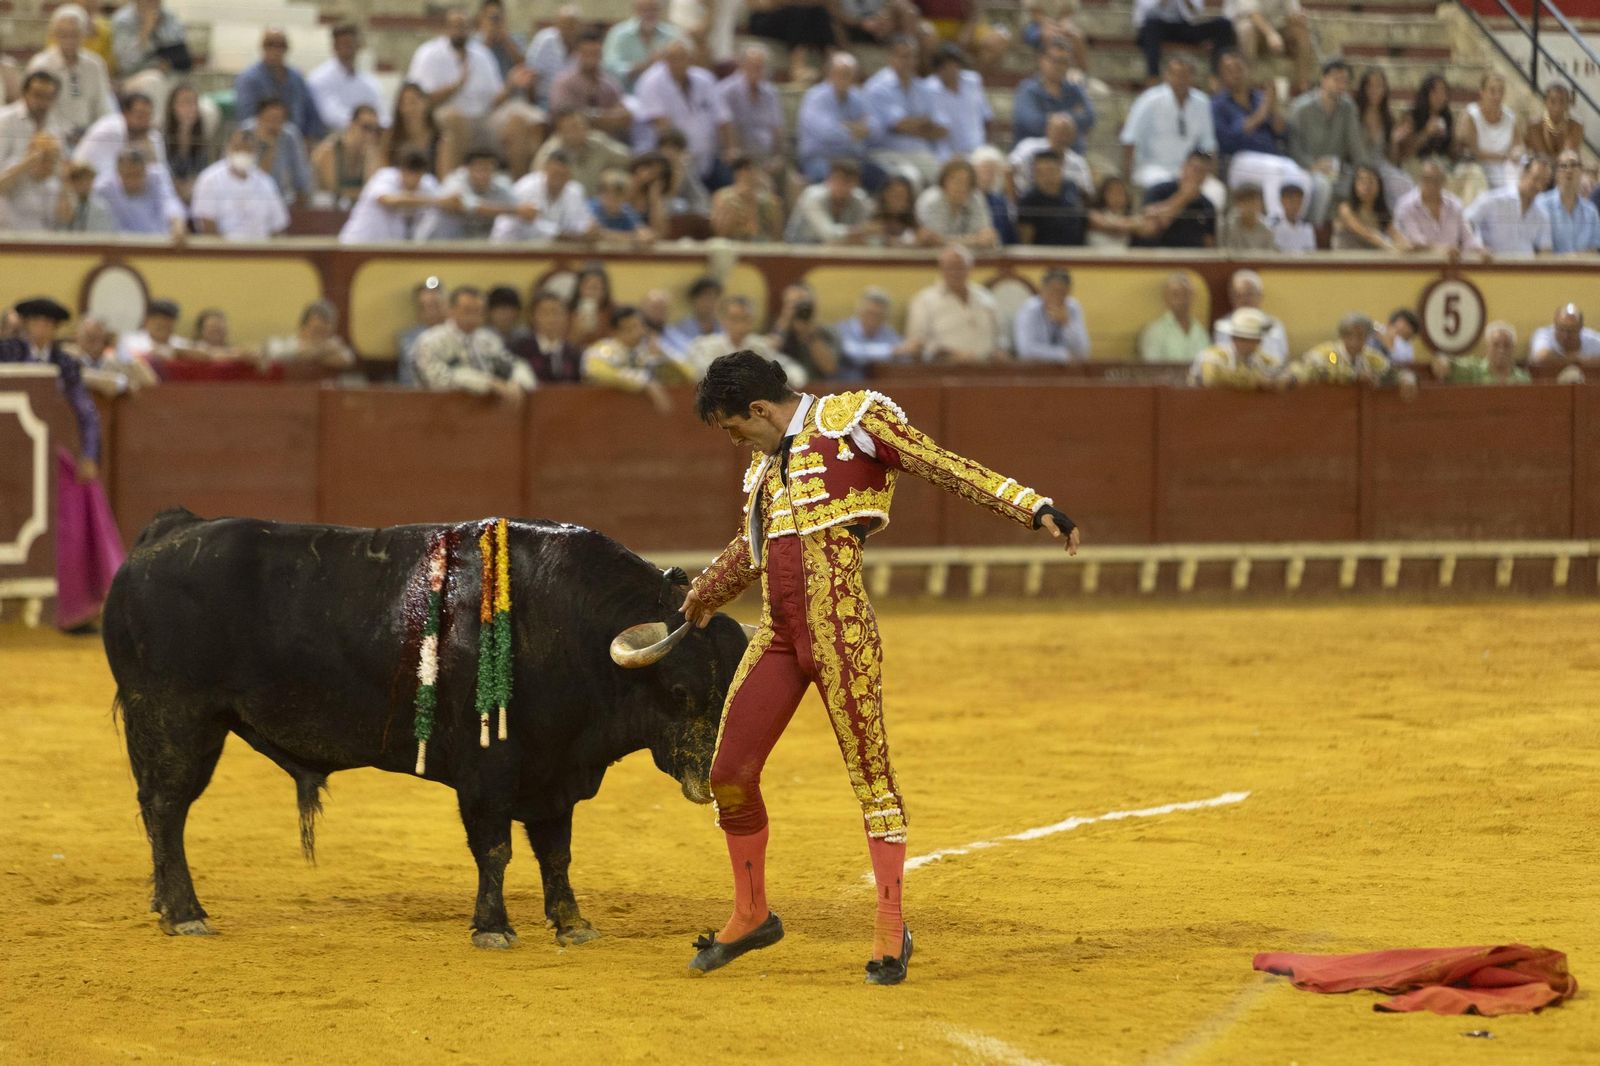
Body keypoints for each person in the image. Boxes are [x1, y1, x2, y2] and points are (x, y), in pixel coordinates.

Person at [679, 350, 1078, 982]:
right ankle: (752, 912)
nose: (736, 441)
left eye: (735, 427)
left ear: (758, 409)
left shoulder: (853, 419)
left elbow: (941, 465)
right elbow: (752, 550)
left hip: (843, 635)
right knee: (729, 773)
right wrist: (702, 594)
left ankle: (891, 928)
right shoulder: (761, 470)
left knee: (871, 780)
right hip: (780, 638)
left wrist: (1031, 506)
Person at [0, 296, 121, 633]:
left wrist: (89, 456)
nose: (41, 328)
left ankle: (74, 607)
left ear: (54, 328)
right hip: (3, 455)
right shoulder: (4, 351)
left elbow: (86, 412)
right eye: (36, 321)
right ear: (25, 324)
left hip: (40, 457)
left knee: (79, 502)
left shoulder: (63, 362)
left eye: (48, 323)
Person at [406, 8, 543, 177]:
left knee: (517, 120)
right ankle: (451, 187)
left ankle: (518, 188)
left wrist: (511, 85)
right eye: (454, 26)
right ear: (445, 28)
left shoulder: (481, 55)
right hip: (444, 116)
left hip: (482, 118)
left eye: (463, 26)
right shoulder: (428, 54)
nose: (459, 30)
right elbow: (419, 99)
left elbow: (494, 100)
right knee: (454, 118)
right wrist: (455, 86)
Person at [1212, 48, 1308, 218]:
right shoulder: (1219, 104)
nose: (1235, 74)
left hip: (1271, 158)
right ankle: (1276, 227)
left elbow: (1282, 133)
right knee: (1275, 171)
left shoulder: (1259, 97)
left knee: (1301, 176)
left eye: (1239, 69)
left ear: (1248, 71)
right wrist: (1263, 110)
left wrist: (1275, 107)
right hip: (1236, 161)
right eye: (1229, 70)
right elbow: (1229, 139)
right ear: (1222, 75)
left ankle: (1295, 229)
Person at [635, 40, 733, 186]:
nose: (678, 63)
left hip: (707, 156)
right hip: (670, 159)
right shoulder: (651, 82)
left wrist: (731, 149)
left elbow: (723, 117)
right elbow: (662, 127)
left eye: (682, 58)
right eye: (673, 59)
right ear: (665, 60)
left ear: (691, 59)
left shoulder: (705, 79)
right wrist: (679, 155)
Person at [1286, 59, 1370, 223]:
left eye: (1345, 81)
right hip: (1304, 169)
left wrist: (1365, 173)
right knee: (1322, 185)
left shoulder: (1349, 108)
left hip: (1336, 170)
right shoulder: (1301, 108)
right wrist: (1313, 165)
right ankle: (1315, 235)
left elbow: (1356, 146)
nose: (1340, 85)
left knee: (1367, 184)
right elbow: (1292, 147)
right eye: (1336, 79)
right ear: (1323, 79)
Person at [414, 285, 536, 398]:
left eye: (478, 311)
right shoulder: (430, 340)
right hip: (439, 410)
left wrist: (518, 381)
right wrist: (488, 383)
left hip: (486, 411)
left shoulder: (488, 339)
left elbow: (512, 365)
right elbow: (437, 380)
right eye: (467, 310)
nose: (473, 316)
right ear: (451, 310)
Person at [1120, 56, 1217, 192]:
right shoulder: (1149, 100)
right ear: (1167, 76)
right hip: (1153, 168)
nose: (1181, 80)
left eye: (1185, 75)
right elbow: (1129, 139)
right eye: (1177, 75)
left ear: (1193, 77)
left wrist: (1209, 173)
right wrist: (1126, 178)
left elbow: (1208, 144)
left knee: (1215, 190)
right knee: (1163, 188)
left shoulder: (1202, 103)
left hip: (1190, 170)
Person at [863, 35, 947, 185]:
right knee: (910, 178)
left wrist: (908, 126)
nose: (910, 62)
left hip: (920, 154)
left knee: (946, 178)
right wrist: (924, 123)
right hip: (886, 154)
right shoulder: (878, 87)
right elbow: (900, 125)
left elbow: (942, 130)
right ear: (891, 58)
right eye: (904, 57)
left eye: (913, 57)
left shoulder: (923, 88)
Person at [26, 5, 115, 145]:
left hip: (91, 136)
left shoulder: (95, 64)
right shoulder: (41, 64)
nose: (69, 40)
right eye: (63, 34)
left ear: (84, 34)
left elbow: (104, 104)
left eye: (75, 34)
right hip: (53, 135)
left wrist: (98, 132)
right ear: (54, 35)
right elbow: (36, 109)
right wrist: (66, 132)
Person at [904, 244, 1006, 363]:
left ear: (970, 269)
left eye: (960, 267)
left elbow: (1000, 335)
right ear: (941, 269)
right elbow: (916, 344)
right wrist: (947, 354)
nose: (955, 272)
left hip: (987, 369)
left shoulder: (985, 297)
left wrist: (1000, 350)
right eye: (950, 267)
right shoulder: (924, 300)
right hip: (942, 370)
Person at [797, 54, 883, 187]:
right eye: (840, 73)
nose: (844, 78)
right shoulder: (815, 97)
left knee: (882, 177)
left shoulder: (858, 97)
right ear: (829, 73)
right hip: (822, 160)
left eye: (849, 74)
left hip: (854, 160)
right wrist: (857, 130)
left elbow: (876, 128)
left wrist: (846, 127)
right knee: (833, 181)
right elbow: (827, 133)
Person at [584, 304, 694, 404]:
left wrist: (663, 354)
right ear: (615, 332)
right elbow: (596, 371)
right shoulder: (602, 349)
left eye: (640, 326)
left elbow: (689, 375)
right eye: (630, 328)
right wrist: (645, 382)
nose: (638, 332)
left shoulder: (648, 352)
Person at [190, 129, 289, 239]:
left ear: (255, 152)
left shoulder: (266, 182)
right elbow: (206, 223)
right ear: (228, 148)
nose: (243, 153)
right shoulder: (209, 179)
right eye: (238, 148)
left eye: (248, 149)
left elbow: (278, 226)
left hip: (261, 250)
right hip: (224, 251)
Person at [234, 28, 326, 141]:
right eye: (270, 44)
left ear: (287, 48)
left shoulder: (296, 78)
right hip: (261, 142)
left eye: (280, 45)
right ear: (262, 47)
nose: (275, 50)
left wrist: (311, 139)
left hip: (298, 143)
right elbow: (246, 119)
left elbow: (312, 114)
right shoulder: (249, 79)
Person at [338, 149, 448, 242]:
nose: (413, 179)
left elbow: (448, 201)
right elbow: (387, 200)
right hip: (358, 243)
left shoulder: (427, 183)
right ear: (401, 170)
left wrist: (436, 201)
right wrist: (432, 201)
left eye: (417, 174)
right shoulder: (385, 176)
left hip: (389, 250)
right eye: (409, 172)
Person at [490, 149, 596, 242]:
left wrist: (588, 229)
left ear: (570, 174)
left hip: (552, 250)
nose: (559, 179)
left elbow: (581, 223)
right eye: (555, 173)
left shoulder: (575, 191)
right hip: (510, 246)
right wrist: (566, 236)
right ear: (546, 169)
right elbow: (531, 228)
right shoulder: (527, 187)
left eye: (563, 175)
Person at [686, 294, 797, 382]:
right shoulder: (704, 345)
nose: (740, 325)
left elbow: (786, 368)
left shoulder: (760, 346)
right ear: (722, 320)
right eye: (734, 319)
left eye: (745, 319)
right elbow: (700, 374)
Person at [548, 27, 632, 141]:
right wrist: (605, 119)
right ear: (577, 54)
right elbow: (564, 119)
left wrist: (592, 118)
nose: (591, 59)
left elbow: (624, 117)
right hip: (571, 141)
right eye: (587, 54)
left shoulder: (610, 84)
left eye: (595, 54)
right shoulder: (564, 83)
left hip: (607, 144)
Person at [418, 148, 519, 240]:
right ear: (467, 169)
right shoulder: (455, 181)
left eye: (488, 169)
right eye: (480, 169)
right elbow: (466, 205)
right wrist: (514, 211)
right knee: (441, 217)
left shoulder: (501, 183)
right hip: (450, 243)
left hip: (484, 242)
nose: (483, 175)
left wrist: (517, 211)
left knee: (512, 222)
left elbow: (523, 209)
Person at [1011, 38, 1093, 148]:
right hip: (1035, 156)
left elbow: (1089, 118)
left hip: (1070, 156)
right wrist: (1071, 117)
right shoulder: (1028, 90)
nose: (1058, 66)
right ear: (1041, 60)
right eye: (1054, 60)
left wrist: (1050, 119)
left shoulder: (1075, 89)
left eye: (1063, 62)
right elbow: (1032, 123)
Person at [109, 0, 189, 113]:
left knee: (205, 108)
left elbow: (182, 54)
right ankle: (154, 130)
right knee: (154, 81)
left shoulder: (170, 17)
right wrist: (146, 30)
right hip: (132, 78)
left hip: (169, 74)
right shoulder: (122, 20)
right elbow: (126, 63)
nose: (154, 3)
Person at [717, 43, 787, 170]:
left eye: (761, 66)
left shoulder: (771, 92)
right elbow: (725, 124)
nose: (757, 70)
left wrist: (778, 156)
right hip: (740, 158)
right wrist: (734, 151)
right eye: (753, 66)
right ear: (742, 65)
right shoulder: (726, 91)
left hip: (766, 158)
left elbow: (777, 127)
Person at [309, 24, 389, 133]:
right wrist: (364, 125)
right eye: (343, 44)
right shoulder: (319, 79)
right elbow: (331, 117)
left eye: (351, 44)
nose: (348, 48)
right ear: (334, 47)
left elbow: (382, 115)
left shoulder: (370, 82)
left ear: (358, 46)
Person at [1465, 155, 1553, 254]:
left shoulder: (1542, 214)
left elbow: (1545, 250)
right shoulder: (1494, 200)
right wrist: (1477, 247)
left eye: (1544, 182)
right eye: (1536, 179)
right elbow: (1466, 222)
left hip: (1526, 267)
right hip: (1493, 266)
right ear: (1523, 174)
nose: (1539, 186)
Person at [1390, 159, 1483, 254]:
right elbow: (1415, 242)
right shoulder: (1406, 205)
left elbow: (1468, 238)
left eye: (1437, 180)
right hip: (1418, 265)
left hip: (1451, 264)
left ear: (1444, 181)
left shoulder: (1455, 204)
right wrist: (1442, 250)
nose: (1431, 184)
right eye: (1427, 179)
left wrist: (1480, 250)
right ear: (1420, 179)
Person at [1455, 73, 1523, 201]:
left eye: (1501, 91)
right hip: (1478, 166)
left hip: (1504, 167)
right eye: (1492, 91)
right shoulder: (1470, 115)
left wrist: (1516, 153)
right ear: (1482, 92)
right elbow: (1475, 152)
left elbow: (1518, 145)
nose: (1497, 96)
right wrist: (1504, 157)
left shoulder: (1510, 117)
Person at [1132, 0, 1237, 83]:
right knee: (1151, 27)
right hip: (1157, 25)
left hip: (1182, 25)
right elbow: (1148, 12)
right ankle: (1153, 76)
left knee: (1224, 25)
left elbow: (1196, 13)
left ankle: (1216, 75)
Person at [93, 147, 186, 238]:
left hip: (160, 241)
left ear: (146, 169)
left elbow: (169, 201)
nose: (133, 180)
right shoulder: (103, 188)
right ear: (118, 172)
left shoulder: (157, 177)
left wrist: (177, 222)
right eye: (128, 175)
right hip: (123, 245)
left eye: (138, 174)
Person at [1133, 150, 1218, 249]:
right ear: (1184, 167)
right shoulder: (1159, 191)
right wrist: (1183, 197)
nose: (1196, 175)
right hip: (1158, 253)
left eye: (1202, 172)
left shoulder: (1207, 205)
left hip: (1192, 256)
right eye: (1194, 169)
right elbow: (1151, 223)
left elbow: (1210, 242)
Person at [532, 108, 629, 193]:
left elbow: (628, 158)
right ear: (560, 131)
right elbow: (537, 182)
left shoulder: (598, 143)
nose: (578, 130)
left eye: (581, 125)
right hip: (565, 204)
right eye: (572, 127)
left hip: (598, 204)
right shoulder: (550, 153)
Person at [1226, 0, 1311, 95]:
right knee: (1247, 28)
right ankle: (1249, 86)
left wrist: (1297, 18)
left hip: (1276, 27)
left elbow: (1292, 12)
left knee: (1300, 30)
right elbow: (1252, 13)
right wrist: (1270, 34)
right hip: (1248, 26)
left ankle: (1302, 86)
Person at [785, 158, 877, 244]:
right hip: (800, 249)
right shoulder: (812, 196)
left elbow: (869, 235)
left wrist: (865, 231)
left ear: (856, 183)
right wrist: (861, 231)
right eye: (837, 179)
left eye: (847, 181)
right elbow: (829, 235)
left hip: (839, 250)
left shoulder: (860, 199)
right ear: (829, 179)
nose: (841, 185)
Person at [922, 43, 991, 158]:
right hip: (946, 155)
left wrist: (987, 146)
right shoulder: (929, 89)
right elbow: (936, 128)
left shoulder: (973, 81)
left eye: (955, 65)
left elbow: (987, 117)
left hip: (977, 150)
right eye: (947, 66)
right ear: (938, 69)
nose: (952, 70)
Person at [915, 157, 999, 248]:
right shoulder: (932, 201)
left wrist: (945, 240)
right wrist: (975, 240)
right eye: (955, 181)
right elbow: (934, 241)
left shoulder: (976, 199)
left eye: (966, 182)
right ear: (943, 182)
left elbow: (987, 237)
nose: (960, 187)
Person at [243, 97, 312, 205]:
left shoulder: (290, 136)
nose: (273, 125)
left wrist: (302, 196)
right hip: (245, 198)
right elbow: (245, 176)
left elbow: (301, 174)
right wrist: (267, 148)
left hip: (280, 198)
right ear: (258, 118)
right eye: (269, 119)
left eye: (279, 120)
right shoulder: (244, 134)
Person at [602, 0, 685, 91]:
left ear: (660, 10)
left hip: (664, 95)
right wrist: (647, 65)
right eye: (644, 10)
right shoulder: (618, 34)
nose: (649, 14)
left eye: (653, 9)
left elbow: (685, 65)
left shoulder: (672, 34)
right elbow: (609, 68)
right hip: (627, 95)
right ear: (635, 10)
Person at [1191, 306, 1283, 386]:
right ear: (1233, 338)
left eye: (1252, 340)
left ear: (1259, 342)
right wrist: (1257, 381)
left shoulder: (1264, 360)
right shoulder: (1212, 357)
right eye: (1242, 339)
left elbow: (1287, 372)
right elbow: (1212, 379)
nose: (1247, 344)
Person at [310, 103, 382, 206]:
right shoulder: (328, 150)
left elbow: (373, 188)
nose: (371, 134)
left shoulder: (370, 153)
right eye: (366, 127)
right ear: (352, 124)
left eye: (375, 130)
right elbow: (333, 190)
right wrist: (364, 193)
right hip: (324, 211)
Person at [261, 300, 357, 376]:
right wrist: (324, 349)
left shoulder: (334, 347)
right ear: (303, 327)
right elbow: (298, 356)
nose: (321, 336)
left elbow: (346, 359)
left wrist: (313, 353)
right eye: (317, 330)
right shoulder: (285, 344)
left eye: (326, 332)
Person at [0, 131, 73, 232]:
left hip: (41, 242)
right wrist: (27, 163)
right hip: (12, 240)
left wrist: (65, 182)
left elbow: (64, 219)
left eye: (53, 159)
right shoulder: (15, 168)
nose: (49, 164)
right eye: (45, 157)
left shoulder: (55, 183)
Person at [1013, 268, 1089, 362]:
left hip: (1067, 371)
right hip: (1035, 369)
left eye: (1061, 292)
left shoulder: (1073, 308)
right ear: (1042, 290)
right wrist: (1062, 355)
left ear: (1068, 292)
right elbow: (1026, 350)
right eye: (1051, 291)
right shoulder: (1029, 310)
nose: (1056, 296)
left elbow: (1083, 351)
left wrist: (1067, 324)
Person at [833, 288, 910, 379]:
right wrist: (893, 351)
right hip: (845, 388)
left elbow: (905, 357)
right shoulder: (840, 330)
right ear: (859, 310)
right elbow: (852, 353)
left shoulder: (889, 332)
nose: (873, 319)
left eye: (878, 315)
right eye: (870, 313)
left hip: (880, 388)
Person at [1212, 268, 1288, 362]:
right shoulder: (1223, 327)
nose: (1245, 300)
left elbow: (1279, 360)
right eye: (1239, 295)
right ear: (1231, 298)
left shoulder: (1275, 326)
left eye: (1250, 294)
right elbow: (1222, 360)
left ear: (1260, 296)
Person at [1295, 312, 1392, 385]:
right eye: (1349, 336)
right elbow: (1323, 367)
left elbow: (1389, 371)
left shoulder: (1370, 357)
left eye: (1360, 337)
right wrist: (1355, 376)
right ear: (1341, 336)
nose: (1354, 342)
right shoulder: (1331, 354)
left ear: (1367, 338)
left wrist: (1403, 377)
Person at [1008, 112, 1091, 197]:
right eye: (1059, 132)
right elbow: (1008, 171)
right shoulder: (1028, 148)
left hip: (1064, 207)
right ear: (1048, 130)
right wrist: (1015, 204)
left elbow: (1086, 193)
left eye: (1067, 133)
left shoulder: (1078, 163)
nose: (1063, 137)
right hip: (1029, 203)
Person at [510, 289, 584, 384]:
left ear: (567, 317)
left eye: (557, 313)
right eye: (545, 313)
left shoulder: (574, 353)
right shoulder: (519, 349)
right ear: (532, 317)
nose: (551, 319)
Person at [1, 71, 68, 172]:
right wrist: (29, 161)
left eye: (48, 97)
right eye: (37, 96)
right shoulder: (4, 120)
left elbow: (61, 168)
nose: (43, 102)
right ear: (24, 93)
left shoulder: (57, 123)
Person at [1016, 151, 1086, 246]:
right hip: (1047, 255)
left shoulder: (1070, 187)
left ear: (1060, 169)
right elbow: (1026, 240)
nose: (1046, 177)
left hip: (1077, 252)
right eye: (1040, 172)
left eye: (1050, 170)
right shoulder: (1029, 200)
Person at [1537, 150, 1600, 254]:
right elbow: (1543, 251)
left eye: (1573, 165)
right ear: (1556, 173)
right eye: (1563, 166)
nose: (1568, 170)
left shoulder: (1591, 211)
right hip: (1551, 269)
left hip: (1582, 269)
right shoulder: (1542, 204)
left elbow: (1594, 249)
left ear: (1581, 172)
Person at [1139, 272, 1211, 363]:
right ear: (1166, 298)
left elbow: (1207, 365)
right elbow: (1152, 370)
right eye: (1176, 294)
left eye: (1186, 294)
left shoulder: (1200, 331)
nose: (1182, 300)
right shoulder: (1154, 331)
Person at [1431, 320, 1529, 385]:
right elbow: (1443, 363)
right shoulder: (1471, 371)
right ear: (1487, 348)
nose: (1501, 350)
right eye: (1496, 345)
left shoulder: (1522, 378)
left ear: (1513, 349)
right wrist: (1442, 359)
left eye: (1506, 345)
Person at [161, 83, 214, 202]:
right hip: (168, 195)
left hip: (195, 194)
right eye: (185, 102)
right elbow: (163, 171)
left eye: (193, 103)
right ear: (172, 107)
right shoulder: (160, 136)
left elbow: (203, 172)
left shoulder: (202, 136)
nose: (190, 108)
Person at [710, 156, 782, 241]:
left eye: (749, 169)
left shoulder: (769, 202)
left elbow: (777, 238)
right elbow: (717, 234)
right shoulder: (724, 198)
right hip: (733, 247)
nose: (746, 174)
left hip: (761, 247)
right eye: (742, 170)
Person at [524, 5, 582, 108]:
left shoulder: (584, 46)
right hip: (545, 100)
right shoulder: (544, 41)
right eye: (565, 25)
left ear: (579, 26)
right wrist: (532, 108)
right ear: (557, 25)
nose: (569, 30)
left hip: (574, 104)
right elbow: (531, 77)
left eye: (572, 25)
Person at [1332, 164, 1398, 251]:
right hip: (1345, 260)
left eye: (1370, 182)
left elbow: (1396, 235)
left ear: (1379, 186)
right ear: (1354, 185)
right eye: (1362, 182)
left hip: (1373, 260)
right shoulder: (1346, 208)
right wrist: (1389, 245)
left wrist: (1407, 245)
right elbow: (1366, 234)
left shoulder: (1382, 211)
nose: (1366, 187)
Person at [396, 277, 447, 386]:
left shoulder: (457, 333)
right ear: (419, 310)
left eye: (436, 305)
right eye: (427, 306)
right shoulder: (408, 338)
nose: (432, 311)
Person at [383, 82, 441, 173]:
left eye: (414, 102)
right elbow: (383, 175)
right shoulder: (390, 138)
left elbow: (444, 179)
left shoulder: (439, 139)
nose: (409, 108)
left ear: (425, 103)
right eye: (404, 103)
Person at [589, 167, 654, 244]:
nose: (612, 197)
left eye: (619, 194)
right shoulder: (591, 208)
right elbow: (591, 234)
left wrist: (609, 235)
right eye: (606, 191)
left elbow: (646, 236)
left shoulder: (626, 210)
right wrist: (631, 237)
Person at [1088, 175, 1153, 249]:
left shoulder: (1131, 216)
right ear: (1103, 194)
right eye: (1112, 192)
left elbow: (1149, 229)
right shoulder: (1093, 214)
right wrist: (1134, 224)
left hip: (1123, 258)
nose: (1116, 197)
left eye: (1120, 192)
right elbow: (1114, 227)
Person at [664, 276, 723, 356]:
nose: (709, 303)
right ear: (694, 300)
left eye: (714, 298)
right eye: (705, 298)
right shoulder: (680, 329)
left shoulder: (724, 328)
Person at [1525, 82, 1583, 160]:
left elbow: (1569, 154)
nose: (1557, 107)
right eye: (1553, 101)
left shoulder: (1576, 126)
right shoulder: (1534, 125)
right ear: (1545, 102)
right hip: (1541, 168)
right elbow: (1542, 155)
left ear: (1568, 103)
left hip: (1565, 168)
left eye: (1562, 101)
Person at [1529, 303, 1600, 366]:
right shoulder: (1543, 334)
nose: (1566, 335)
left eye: (1571, 330)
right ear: (1555, 325)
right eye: (1561, 329)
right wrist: (1577, 360)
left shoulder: (1593, 339)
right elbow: (1540, 358)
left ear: (1581, 328)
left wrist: (1567, 359)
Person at [60, 159, 115, 232]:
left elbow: (105, 234)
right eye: (79, 180)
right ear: (72, 182)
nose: (84, 184)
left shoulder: (101, 207)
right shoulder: (64, 204)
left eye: (88, 179)